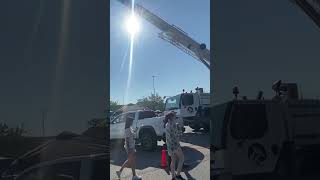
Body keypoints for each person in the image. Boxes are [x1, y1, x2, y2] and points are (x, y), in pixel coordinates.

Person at [116, 115, 141, 180]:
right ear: (129, 122)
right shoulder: (127, 129)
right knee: (132, 161)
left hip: (131, 146)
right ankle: (134, 176)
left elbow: (132, 134)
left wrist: (136, 130)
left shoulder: (130, 128)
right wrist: (129, 149)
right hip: (130, 147)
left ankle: (120, 171)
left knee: (130, 160)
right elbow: (127, 140)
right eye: (131, 121)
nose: (132, 122)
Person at [165, 112, 185, 180]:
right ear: (172, 117)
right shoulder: (174, 124)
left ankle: (173, 176)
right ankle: (178, 174)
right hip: (175, 145)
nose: (175, 116)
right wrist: (180, 130)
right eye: (174, 115)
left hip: (169, 145)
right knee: (181, 158)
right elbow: (177, 135)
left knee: (173, 160)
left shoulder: (167, 124)